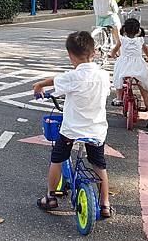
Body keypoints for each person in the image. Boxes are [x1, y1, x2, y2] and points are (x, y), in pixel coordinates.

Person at [33, 31, 113, 218]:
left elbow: (56, 80)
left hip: (71, 130)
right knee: (99, 165)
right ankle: (105, 204)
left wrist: (39, 85)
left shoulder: (71, 77)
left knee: (57, 159)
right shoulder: (103, 76)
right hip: (96, 130)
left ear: (70, 56)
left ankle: (50, 197)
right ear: (94, 52)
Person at [110, 18, 148, 129]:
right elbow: (147, 52)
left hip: (124, 66)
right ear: (138, 30)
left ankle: (119, 98)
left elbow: (114, 51)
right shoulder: (140, 40)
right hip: (138, 67)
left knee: (118, 77)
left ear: (124, 29)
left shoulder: (122, 39)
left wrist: (111, 55)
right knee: (145, 92)